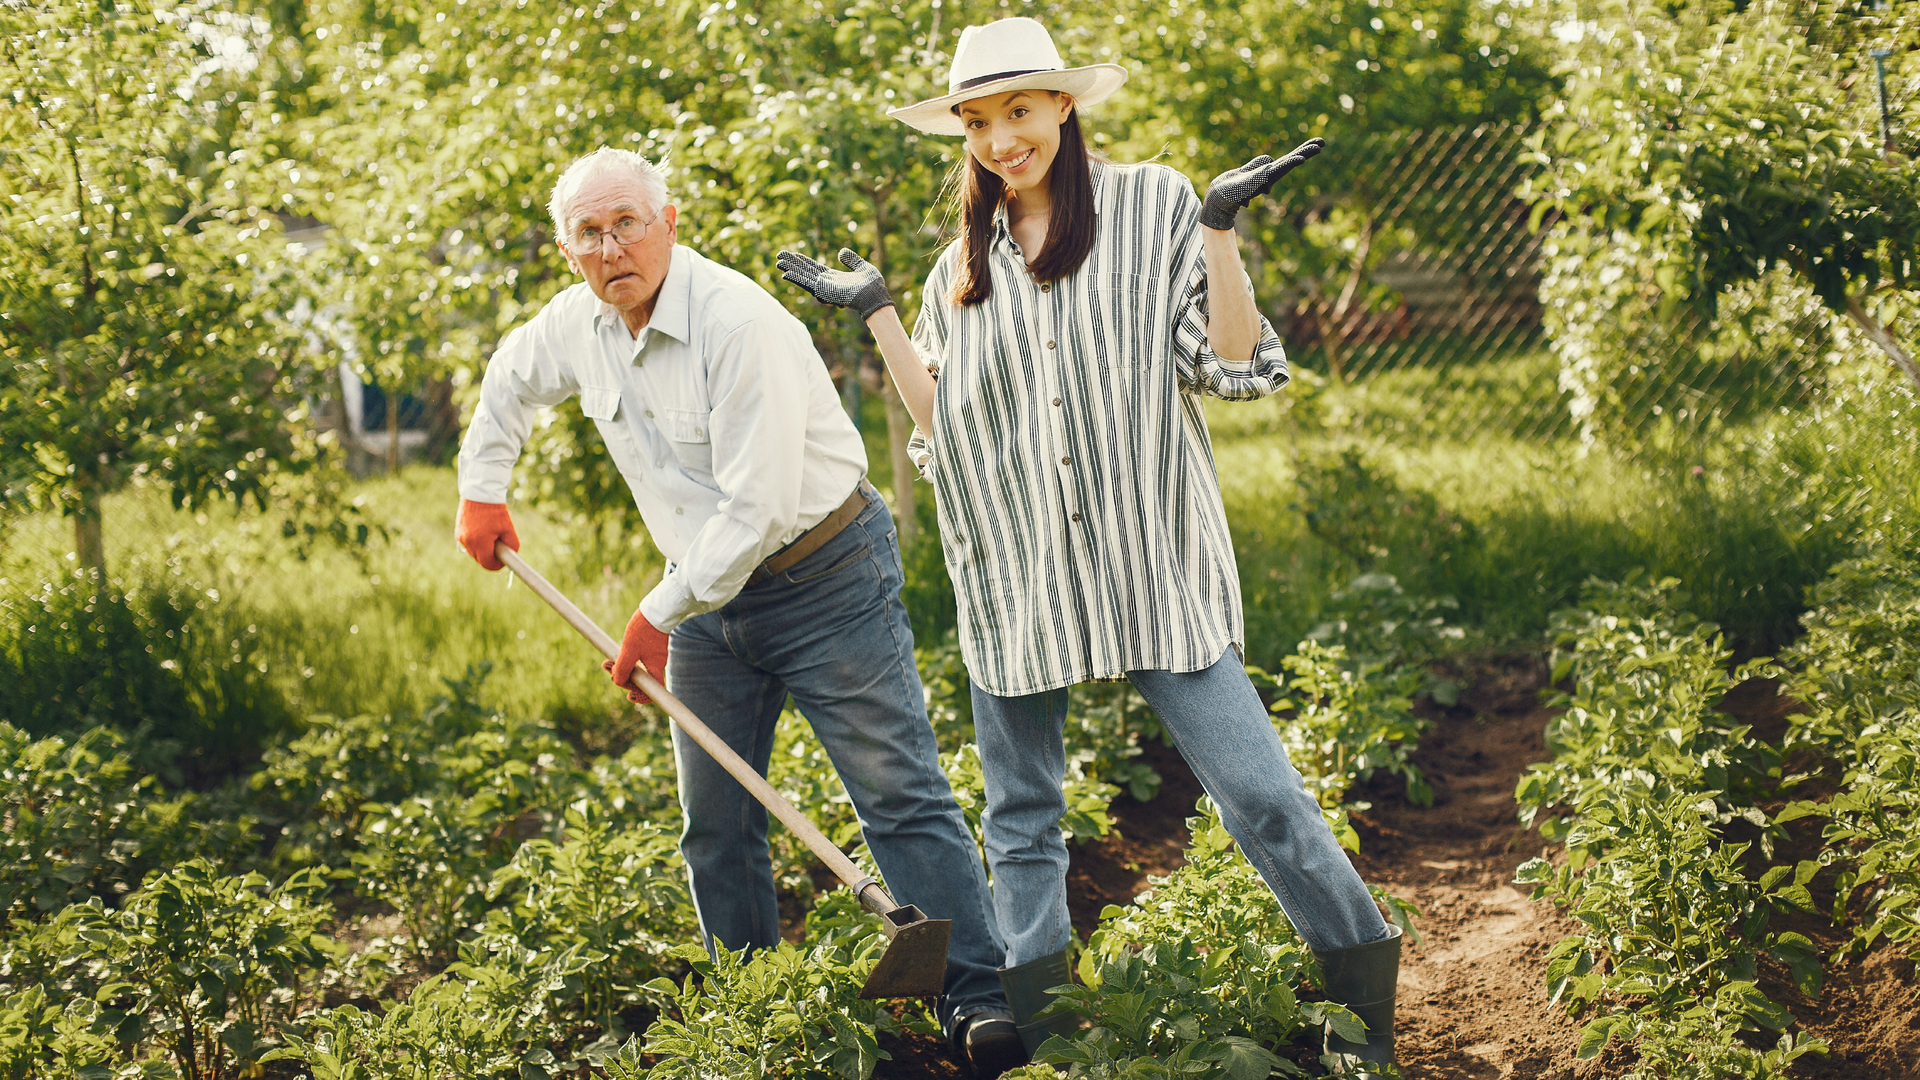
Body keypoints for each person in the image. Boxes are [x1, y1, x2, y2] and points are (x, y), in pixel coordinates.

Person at [776, 17, 1404, 1078]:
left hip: (1150, 564)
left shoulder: (1154, 204)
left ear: (1065, 105)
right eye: (978, 121)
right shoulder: (960, 268)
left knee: (1264, 799)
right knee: (1022, 819)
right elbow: (948, 430)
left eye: (1020, 110)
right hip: (1020, 575)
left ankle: (1365, 1025)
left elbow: (1232, 367)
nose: (1001, 139)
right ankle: (1052, 1044)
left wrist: (1217, 228)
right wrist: (880, 311)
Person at [453, 147, 1028, 1077]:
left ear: (668, 223)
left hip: (824, 576)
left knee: (897, 793)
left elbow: (754, 511)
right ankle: (753, 1012)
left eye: (627, 223)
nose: (611, 248)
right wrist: (482, 489)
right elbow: (509, 379)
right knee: (715, 822)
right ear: (568, 250)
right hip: (702, 599)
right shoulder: (576, 326)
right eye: (589, 233)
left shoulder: (737, 323)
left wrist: (654, 615)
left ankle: (977, 997)